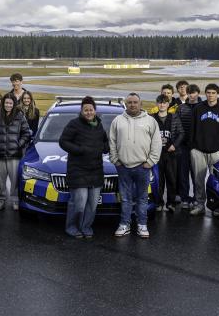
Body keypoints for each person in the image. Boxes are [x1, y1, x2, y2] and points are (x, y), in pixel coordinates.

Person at [109, 93, 161, 238]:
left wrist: (150, 162)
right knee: (125, 198)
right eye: (129, 102)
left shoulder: (150, 121)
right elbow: (112, 142)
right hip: (123, 166)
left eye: (135, 102)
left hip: (142, 167)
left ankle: (142, 225)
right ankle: (124, 224)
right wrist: (116, 160)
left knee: (142, 198)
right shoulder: (117, 121)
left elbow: (156, 144)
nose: (132, 104)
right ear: (126, 104)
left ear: (140, 104)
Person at [59, 97, 109, 238]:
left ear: (95, 110)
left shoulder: (98, 125)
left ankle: (85, 227)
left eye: (91, 109)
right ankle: (71, 226)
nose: (88, 112)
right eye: (85, 110)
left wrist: (104, 148)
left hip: (96, 171)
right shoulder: (74, 124)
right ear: (81, 111)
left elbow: (105, 142)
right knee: (79, 203)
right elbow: (63, 141)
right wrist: (80, 149)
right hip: (78, 170)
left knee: (92, 205)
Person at [189, 83, 219, 216]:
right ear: (205, 93)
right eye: (208, 92)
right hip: (199, 151)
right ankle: (200, 204)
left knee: (216, 182)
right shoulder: (198, 108)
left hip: (216, 152)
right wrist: (192, 148)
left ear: (218, 94)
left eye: (213, 93)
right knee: (198, 180)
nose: (210, 95)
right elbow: (191, 129)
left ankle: (216, 207)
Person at [0, 94, 32, 211]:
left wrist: (19, 144)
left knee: (15, 179)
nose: (8, 105)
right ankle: (0, 199)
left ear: (14, 104)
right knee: (0, 179)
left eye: (10, 103)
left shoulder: (20, 117)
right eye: (6, 103)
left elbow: (27, 133)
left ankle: (15, 200)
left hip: (15, 154)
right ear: (3, 103)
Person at [153, 94, 184, 212]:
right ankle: (158, 203)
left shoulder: (174, 117)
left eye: (164, 102)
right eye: (160, 102)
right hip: (156, 154)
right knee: (158, 180)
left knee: (171, 179)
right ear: (157, 104)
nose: (162, 104)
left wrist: (174, 145)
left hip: (171, 154)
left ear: (168, 104)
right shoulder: (152, 118)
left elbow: (181, 133)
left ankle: (170, 203)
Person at [175, 84, 202, 209]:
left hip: (197, 146)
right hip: (183, 146)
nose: (192, 95)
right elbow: (176, 126)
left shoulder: (202, 108)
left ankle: (197, 198)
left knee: (196, 174)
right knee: (183, 173)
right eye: (190, 93)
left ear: (197, 93)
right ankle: (184, 198)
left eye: (194, 93)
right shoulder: (181, 108)